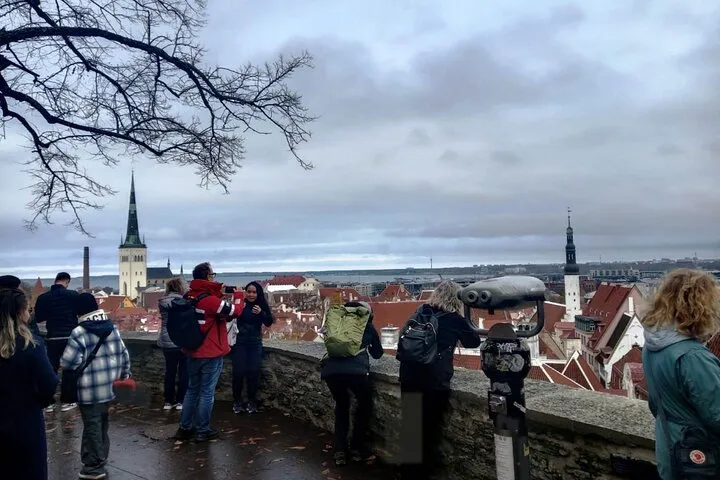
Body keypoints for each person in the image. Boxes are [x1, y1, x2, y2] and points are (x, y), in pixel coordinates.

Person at [396, 280, 481, 480]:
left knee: (411, 427)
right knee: (428, 430)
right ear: (456, 299)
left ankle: (406, 472)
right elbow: (473, 341)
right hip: (434, 380)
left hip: (409, 374)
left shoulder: (421, 311)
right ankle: (421, 474)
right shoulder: (454, 319)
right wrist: (466, 315)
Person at [641, 268, 720, 480]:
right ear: (699, 306)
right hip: (702, 459)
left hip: (670, 449)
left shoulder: (652, 346)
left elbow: (655, 405)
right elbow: (717, 414)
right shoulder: (693, 356)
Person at [60, 293, 131, 480]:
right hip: (110, 388)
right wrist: (124, 377)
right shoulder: (111, 328)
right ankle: (94, 459)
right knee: (100, 426)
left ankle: (94, 468)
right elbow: (125, 355)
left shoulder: (79, 333)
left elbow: (68, 363)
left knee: (92, 427)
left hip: (89, 390)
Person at [174, 262, 244, 443]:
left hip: (192, 350)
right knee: (206, 392)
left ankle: (185, 427)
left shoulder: (189, 295)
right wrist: (238, 295)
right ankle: (203, 429)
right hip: (210, 351)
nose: (214, 277)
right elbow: (235, 311)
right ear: (207, 277)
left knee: (191, 390)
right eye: (213, 274)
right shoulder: (210, 301)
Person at [0, 288, 59, 480]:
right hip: (24, 421)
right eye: (28, 310)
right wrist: (38, 401)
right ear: (20, 313)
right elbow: (49, 383)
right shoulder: (30, 345)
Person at [320, 301, 383, 466]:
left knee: (341, 406)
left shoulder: (338, 323)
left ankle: (340, 451)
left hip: (332, 372)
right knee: (364, 405)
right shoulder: (367, 327)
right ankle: (356, 448)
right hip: (356, 373)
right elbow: (377, 354)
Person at [34, 271, 79, 412]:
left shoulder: (43, 297)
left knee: (50, 369)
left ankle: (48, 402)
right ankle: (68, 401)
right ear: (67, 282)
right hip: (70, 337)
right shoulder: (73, 295)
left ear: (56, 281)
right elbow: (79, 312)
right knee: (70, 369)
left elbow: (39, 318)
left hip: (53, 336)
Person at [231, 281, 274, 414]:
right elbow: (230, 318)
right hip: (240, 343)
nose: (251, 294)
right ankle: (237, 401)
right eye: (249, 291)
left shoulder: (261, 305)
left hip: (255, 343)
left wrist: (261, 313)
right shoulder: (240, 304)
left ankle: (251, 401)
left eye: (254, 292)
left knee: (254, 373)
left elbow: (268, 322)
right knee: (238, 373)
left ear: (258, 293)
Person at [158, 278, 189, 411]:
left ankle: (168, 401)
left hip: (167, 339)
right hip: (182, 340)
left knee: (170, 372)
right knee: (183, 371)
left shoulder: (162, 302)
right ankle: (181, 400)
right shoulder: (184, 302)